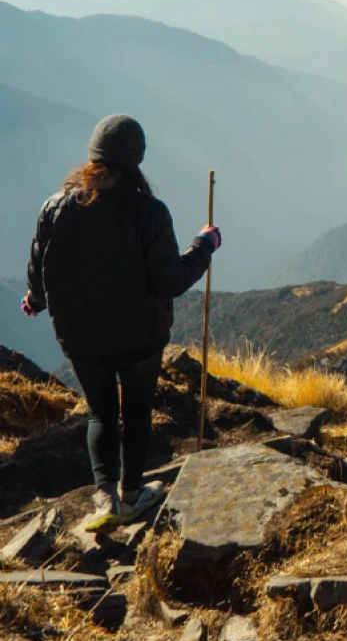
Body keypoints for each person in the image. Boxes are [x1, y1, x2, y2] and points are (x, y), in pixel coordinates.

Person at [23, 115, 221, 532]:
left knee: (99, 412)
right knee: (135, 413)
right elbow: (170, 280)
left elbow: (40, 264)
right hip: (140, 338)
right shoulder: (149, 212)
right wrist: (203, 246)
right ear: (137, 160)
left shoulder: (56, 207)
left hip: (81, 338)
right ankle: (132, 496)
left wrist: (36, 300)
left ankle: (104, 495)